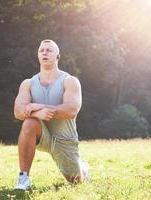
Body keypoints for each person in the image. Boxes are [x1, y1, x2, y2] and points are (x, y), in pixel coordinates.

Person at [13, 39, 90, 190]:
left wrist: (37, 107)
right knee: (28, 123)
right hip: (42, 134)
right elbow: (18, 112)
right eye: (42, 50)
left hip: (64, 140)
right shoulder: (28, 83)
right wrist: (38, 113)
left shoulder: (69, 81)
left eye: (49, 50)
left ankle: (83, 169)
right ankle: (23, 179)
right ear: (38, 56)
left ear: (57, 56)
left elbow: (71, 110)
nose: (45, 53)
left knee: (76, 182)